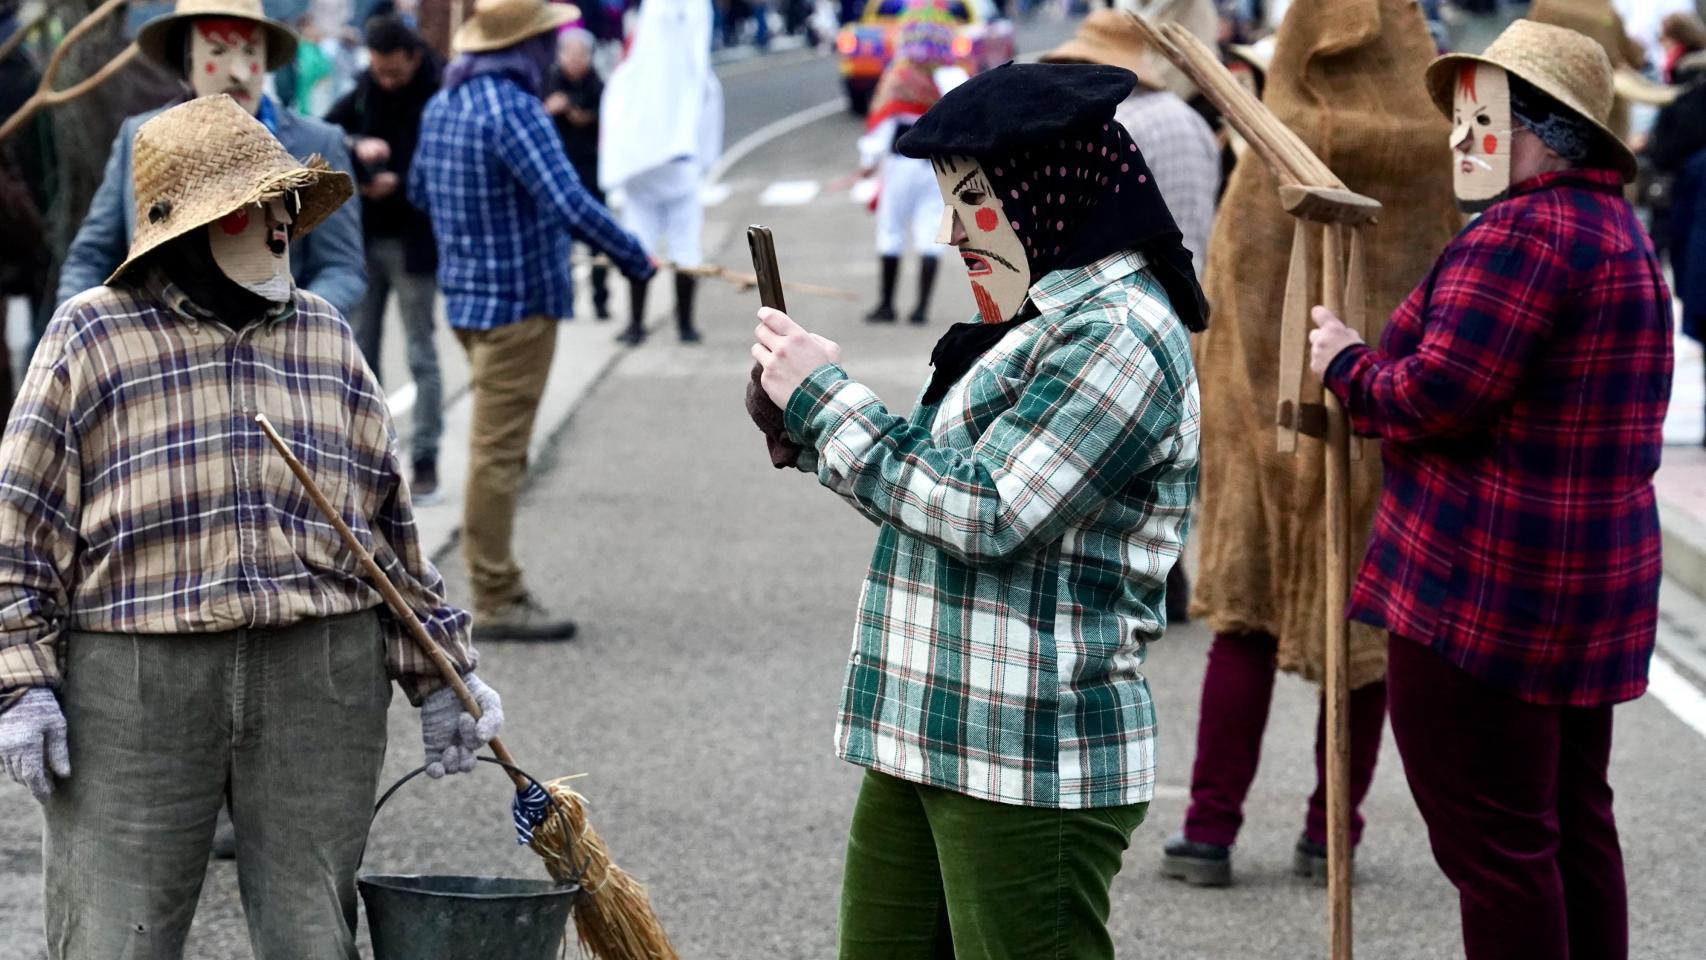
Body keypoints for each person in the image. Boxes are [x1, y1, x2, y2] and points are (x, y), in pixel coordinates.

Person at [0, 94, 502, 958]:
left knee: (313, 935)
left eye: (286, 206)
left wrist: (442, 671)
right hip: (136, 684)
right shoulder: (91, 336)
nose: (280, 228)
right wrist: (21, 681)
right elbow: (19, 523)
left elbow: (387, 528)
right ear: (196, 225)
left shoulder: (323, 336)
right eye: (258, 207)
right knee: (114, 937)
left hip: (319, 675)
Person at [749, 62, 1207, 958]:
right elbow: (933, 486)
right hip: (932, 727)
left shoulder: (1116, 334)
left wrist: (826, 401)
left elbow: (987, 511)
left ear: (1045, 193)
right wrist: (802, 423)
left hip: (1029, 751)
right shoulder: (1040, 316)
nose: (951, 232)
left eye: (972, 201)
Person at [1307, 20, 1672, 959]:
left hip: (1483, 591)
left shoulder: (1524, 233)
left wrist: (1345, 364)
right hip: (1579, 588)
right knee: (1570, 823)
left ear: (1545, 133)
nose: (1459, 140)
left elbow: (1435, 396)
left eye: (1483, 121)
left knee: (1499, 847)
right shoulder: (1618, 232)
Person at [1165, 0, 1461, 887]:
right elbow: (1440, 287)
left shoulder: (1271, 137)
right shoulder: (1429, 154)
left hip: (1265, 420)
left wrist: (1236, 412)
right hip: (1381, 416)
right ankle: (1332, 831)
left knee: (1244, 626)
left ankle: (1209, 830)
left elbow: (1231, 289)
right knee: (1363, 642)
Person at [411, 0, 654, 641]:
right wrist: (633, 257)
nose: (552, 49)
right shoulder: (515, 109)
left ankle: (498, 582)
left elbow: (418, 191)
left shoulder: (443, 104)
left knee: (495, 448)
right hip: (518, 303)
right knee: (498, 455)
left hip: (465, 300)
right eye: (546, 39)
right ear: (526, 48)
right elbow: (568, 200)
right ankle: (495, 594)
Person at [56, 0, 365, 318]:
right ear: (187, 61)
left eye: (250, 52)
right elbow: (92, 255)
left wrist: (293, 323)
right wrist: (78, 323)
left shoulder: (318, 143)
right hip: (157, 340)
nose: (239, 72)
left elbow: (341, 268)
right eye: (218, 52)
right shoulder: (140, 138)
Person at [327, 14, 446, 500]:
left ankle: (426, 458)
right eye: (379, 71)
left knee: (421, 351)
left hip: (414, 241)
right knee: (360, 354)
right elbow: (325, 131)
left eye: (394, 72)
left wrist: (404, 180)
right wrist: (356, 146)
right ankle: (367, 462)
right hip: (364, 238)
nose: (387, 81)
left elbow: (443, 163)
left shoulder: (438, 94)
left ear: (414, 58)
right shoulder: (362, 89)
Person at [601, 0, 723, 345]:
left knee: (683, 251)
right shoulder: (633, 76)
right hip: (645, 181)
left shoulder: (692, 79)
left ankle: (680, 323)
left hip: (678, 178)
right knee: (643, 249)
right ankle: (641, 322)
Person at [855, 0, 964, 326]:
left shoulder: (899, 77)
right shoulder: (955, 76)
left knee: (891, 228)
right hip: (937, 167)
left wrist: (868, 160)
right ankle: (920, 309)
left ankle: (887, 305)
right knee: (930, 230)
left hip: (900, 162)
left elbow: (882, 123)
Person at [545, 27, 611, 321]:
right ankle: (566, 299)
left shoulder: (598, 85)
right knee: (561, 240)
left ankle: (601, 298)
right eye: (569, 54)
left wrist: (581, 114)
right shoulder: (549, 82)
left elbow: (602, 118)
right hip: (559, 169)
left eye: (580, 54)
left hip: (590, 169)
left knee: (598, 237)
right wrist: (550, 108)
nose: (574, 60)